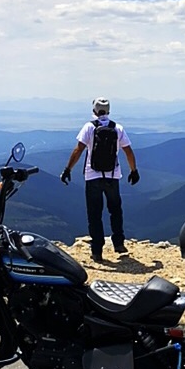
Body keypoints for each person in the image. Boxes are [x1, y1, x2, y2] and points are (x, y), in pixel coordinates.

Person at [60, 97, 140, 263]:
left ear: (94, 111)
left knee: (94, 214)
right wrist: (134, 171)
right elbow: (128, 151)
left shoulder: (89, 127)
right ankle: (119, 243)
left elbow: (78, 150)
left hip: (92, 176)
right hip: (113, 175)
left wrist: (68, 169)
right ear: (109, 111)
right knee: (115, 210)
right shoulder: (117, 128)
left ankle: (97, 251)